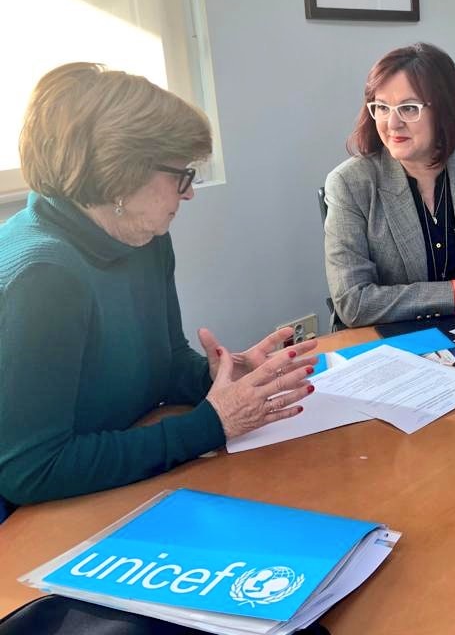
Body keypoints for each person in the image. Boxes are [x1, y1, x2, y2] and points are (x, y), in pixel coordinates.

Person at [0, 63, 318, 511]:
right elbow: (33, 469)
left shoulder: (143, 239)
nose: (188, 193)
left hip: (113, 482)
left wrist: (219, 375)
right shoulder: (43, 276)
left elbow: (163, 364)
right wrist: (212, 424)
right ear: (123, 174)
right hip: (34, 520)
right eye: (181, 175)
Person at [325, 43, 455, 328]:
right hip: (393, 342)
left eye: (408, 108)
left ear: (444, 111)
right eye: (381, 107)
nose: (392, 123)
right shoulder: (349, 183)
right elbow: (353, 302)